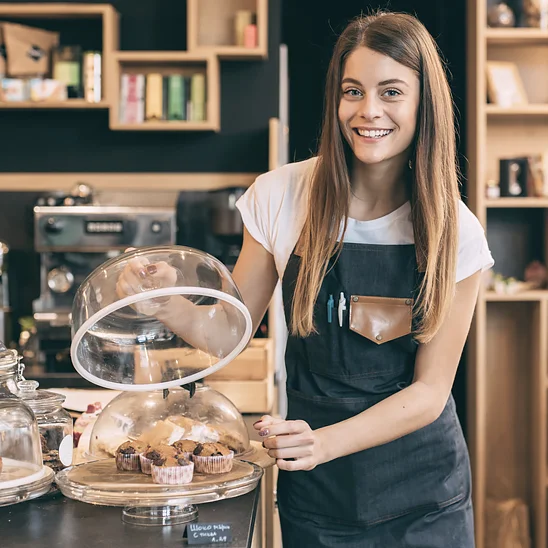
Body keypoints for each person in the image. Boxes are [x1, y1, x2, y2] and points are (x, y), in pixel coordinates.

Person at [116, 11, 494, 547]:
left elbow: (430, 392)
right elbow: (231, 329)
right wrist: (164, 303)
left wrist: (324, 443)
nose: (369, 111)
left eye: (391, 92)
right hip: (318, 497)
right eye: (352, 91)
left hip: (423, 498)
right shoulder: (281, 196)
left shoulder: (457, 230)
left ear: (423, 103)